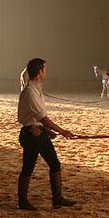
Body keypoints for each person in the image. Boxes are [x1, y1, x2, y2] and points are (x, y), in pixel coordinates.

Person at [17, 58, 76, 210]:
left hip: (35, 131)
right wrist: (62, 131)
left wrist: (47, 130)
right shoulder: (31, 91)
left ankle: (24, 201)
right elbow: (41, 116)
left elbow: (37, 117)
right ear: (39, 72)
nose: (46, 71)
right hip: (33, 133)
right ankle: (56, 199)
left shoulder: (35, 89)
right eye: (44, 69)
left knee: (29, 167)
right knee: (53, 164)